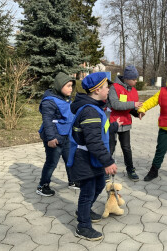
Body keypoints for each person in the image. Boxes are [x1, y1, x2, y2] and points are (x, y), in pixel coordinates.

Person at [67, 72, 120, 241]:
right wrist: (108, 161)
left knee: (98, 186)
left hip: (93, 158)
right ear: (97, 90)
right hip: (85, 159)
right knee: (88, 191)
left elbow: (99, 131)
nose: (109, 90)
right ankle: (82, 226)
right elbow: (93, 141)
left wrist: (112, 127)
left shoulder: (95, 107)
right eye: (106, 87)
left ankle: (85, 210)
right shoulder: (90, 111)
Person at [36, 72, 79, 197]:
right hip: (53, 137)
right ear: (60, 86)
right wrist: (50, 138)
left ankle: (73, 181)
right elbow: (47, 121)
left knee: (70, 159)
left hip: (66, 136)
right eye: (68, 86)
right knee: (51, 162)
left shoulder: (66, 99)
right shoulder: (49, 101)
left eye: (72, 86)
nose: (71, 89)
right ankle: (42, 186)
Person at [107, 65, 143, 181]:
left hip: (125, 123)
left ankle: (130, 169)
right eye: (134, 79)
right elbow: (115, 104)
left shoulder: (133, 90)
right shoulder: (114, 88)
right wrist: (133, 104)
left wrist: (137, 113)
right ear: (127, 78)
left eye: (136, 79)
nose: (136, 81)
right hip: (112, 122)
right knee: (110, 147)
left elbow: (130, 108)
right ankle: (106, 170)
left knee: (126, 148)